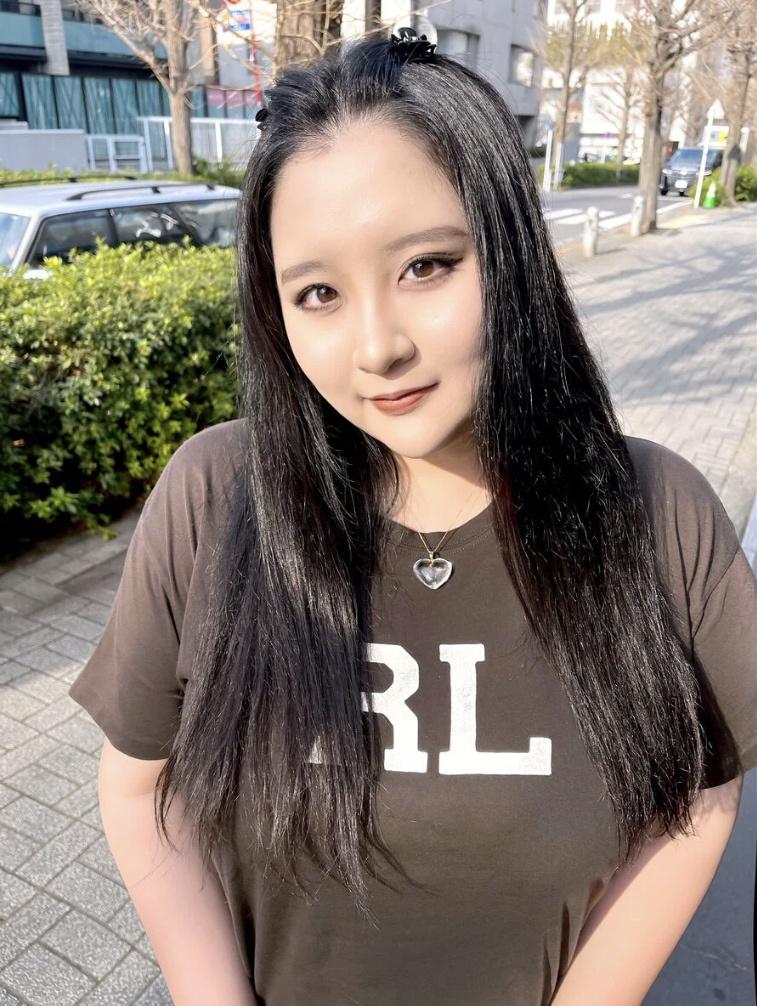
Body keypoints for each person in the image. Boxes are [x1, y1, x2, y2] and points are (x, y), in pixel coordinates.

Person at [68, 26, 757, 1006]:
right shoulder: (215, 497)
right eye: (317, 292)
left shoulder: (657, 512)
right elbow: (140, 789)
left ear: (510, 253)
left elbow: (701, 791)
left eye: (426, 266)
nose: (376, 346)